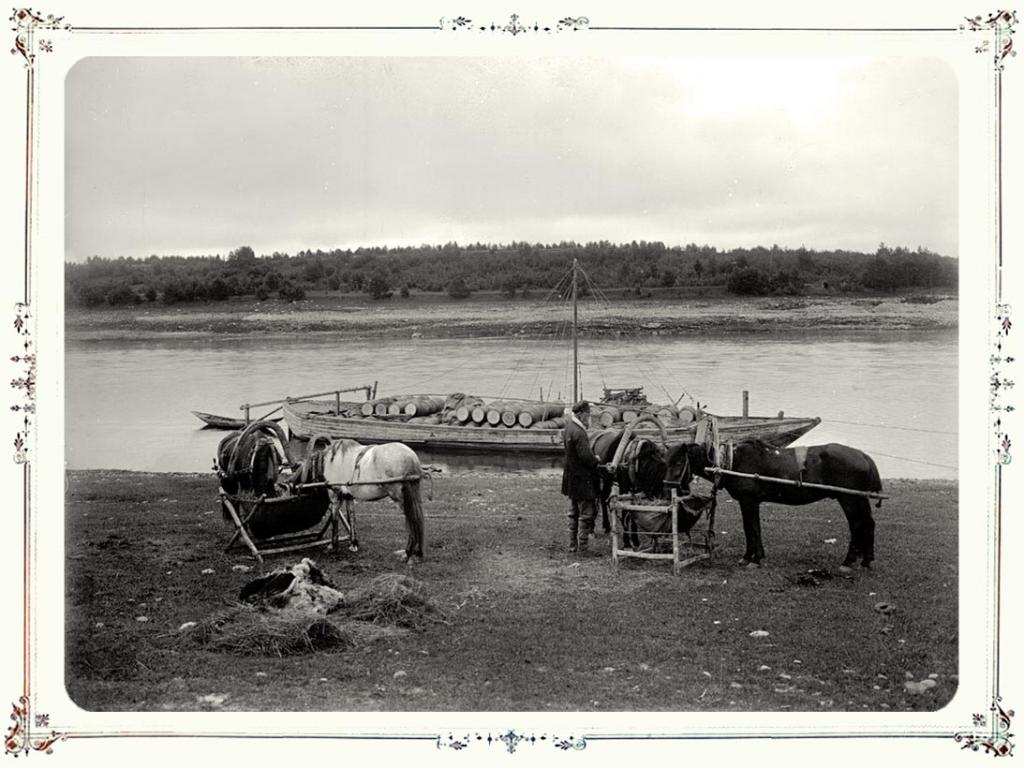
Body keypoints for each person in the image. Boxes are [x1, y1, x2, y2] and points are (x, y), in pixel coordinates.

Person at [561, 400, 601, 554]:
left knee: (573, 513)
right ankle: (583, 547)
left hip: (571, 477)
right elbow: (586, 457)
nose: (589, 418)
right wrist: (596, 459)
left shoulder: (569, 428)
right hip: (583, 479)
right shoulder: (579, 432)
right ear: (582, 414)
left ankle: (572, 545)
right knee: (586, 514)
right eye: (588, 415)